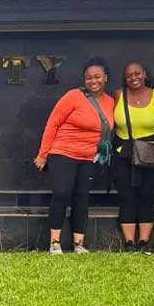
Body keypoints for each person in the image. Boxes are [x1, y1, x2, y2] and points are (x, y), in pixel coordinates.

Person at [35, 58, 115, 255]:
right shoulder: (73, 96)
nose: (93, 81)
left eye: (97, 77)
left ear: (106, 78)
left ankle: (78, 243)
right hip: (63, 153)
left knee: (82, 198)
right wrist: (43, 154)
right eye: (88, 77)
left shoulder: (111, 102)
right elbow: (52, 123)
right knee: (62, 193)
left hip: (89, 157)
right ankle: (55, 243)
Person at [112, 62, 154, 253]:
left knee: (147, 195)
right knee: (126, 196)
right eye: (129, 75)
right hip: (123, 154)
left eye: (137, 73)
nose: (134, 78)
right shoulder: (118, 95)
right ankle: (129, 242)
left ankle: (144, 241)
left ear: (145, 74)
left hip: (151, 153)